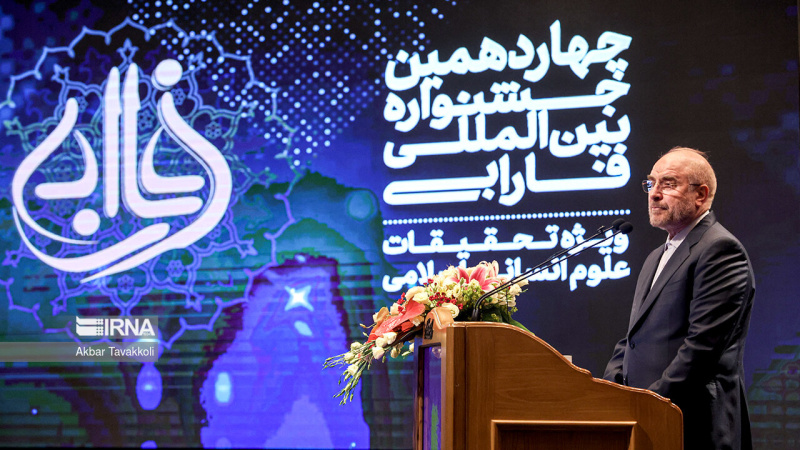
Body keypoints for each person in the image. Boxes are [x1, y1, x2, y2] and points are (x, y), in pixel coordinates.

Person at [603, 147, 755, 450]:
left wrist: (650, 402)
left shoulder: (720, 250)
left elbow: (701, 348)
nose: (654, 193)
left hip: (693, 423)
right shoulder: (656, 256)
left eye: (668, 184)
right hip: (648, 421)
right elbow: (634, 338)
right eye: (651, 183)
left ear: (701, 194)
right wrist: (609, 389)